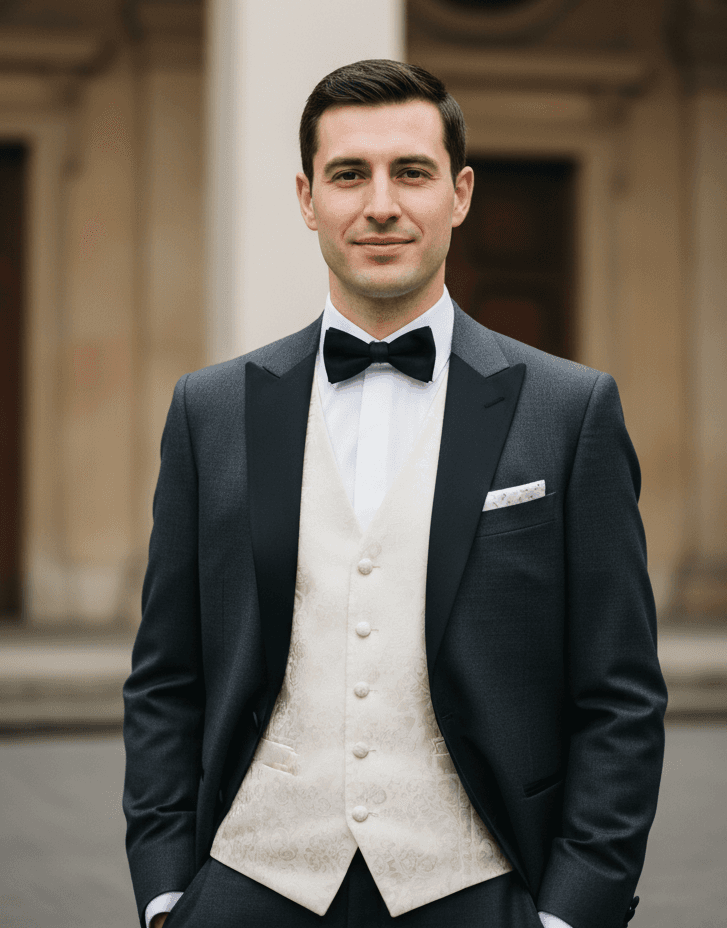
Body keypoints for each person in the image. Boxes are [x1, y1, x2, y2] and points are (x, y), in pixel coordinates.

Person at [123, 59, 666, 928]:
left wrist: (575, 912)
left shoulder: (570, 411)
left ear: (460, 193)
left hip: (479, 888)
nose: (381, 203)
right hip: (246, 886)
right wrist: (164, 893)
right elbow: (165, 676)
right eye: (349, 174)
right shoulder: (210, 410)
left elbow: (620, 692)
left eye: (411, 172)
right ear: (307, 199)